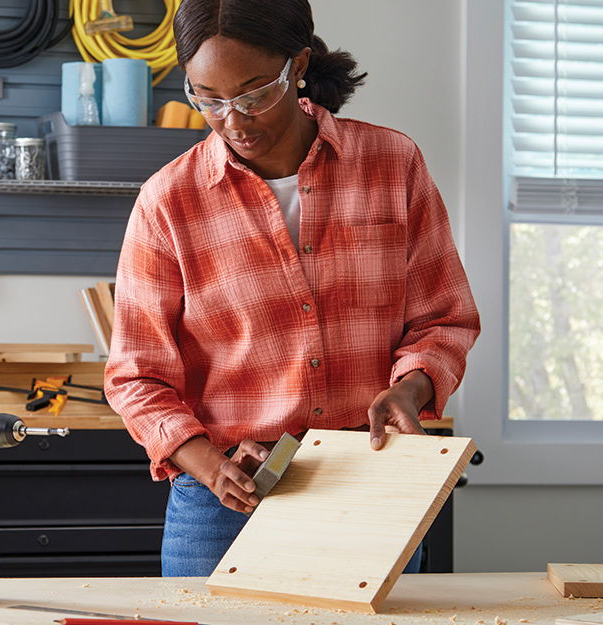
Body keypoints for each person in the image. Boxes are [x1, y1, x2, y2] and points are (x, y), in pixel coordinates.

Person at [103, 0, 481, 578]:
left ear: (298, 65)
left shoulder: (392, 164)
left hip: (371, 488)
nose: (234, 119)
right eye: (208, 98)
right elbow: (136, 375)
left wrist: (411, 389)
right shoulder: (167, 203)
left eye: (254, 93)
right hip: (226, 506)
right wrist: (208, 462)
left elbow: (444, 318)